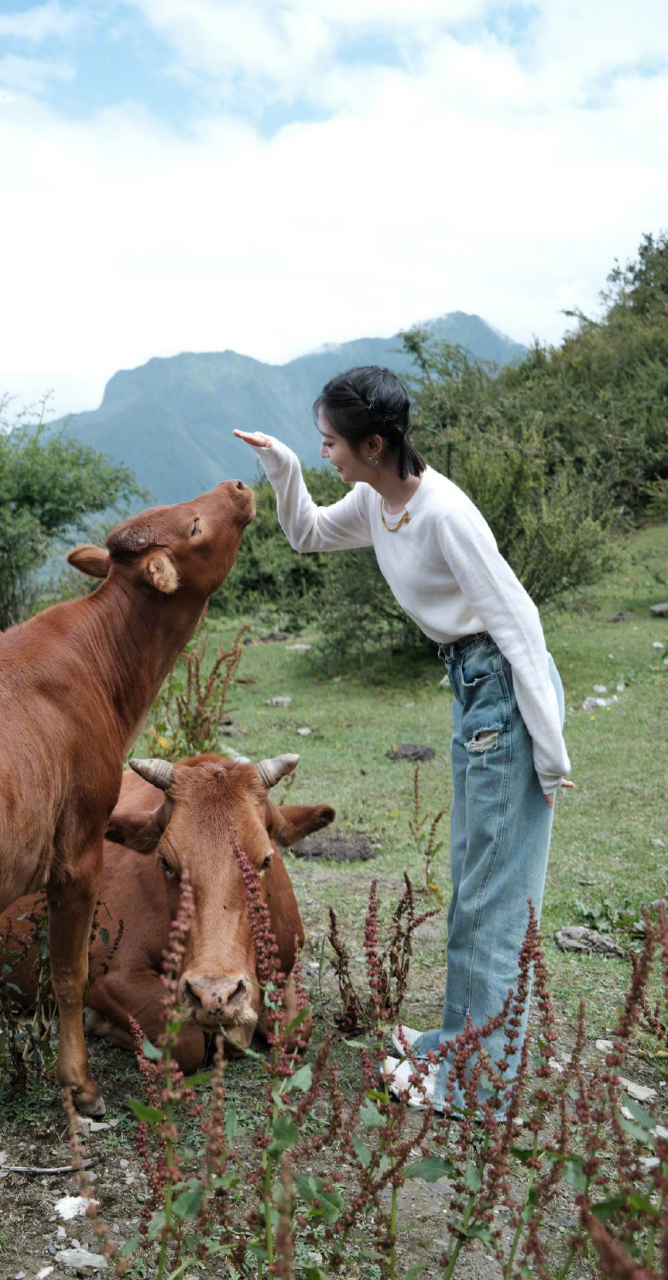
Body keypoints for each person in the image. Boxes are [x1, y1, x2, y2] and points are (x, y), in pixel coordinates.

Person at [234, 364, 573, 1115]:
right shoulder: (375, 500)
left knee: (492, 894)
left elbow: (519, 623)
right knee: (473, 881)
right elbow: (306, 533)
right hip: (472, 693)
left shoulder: (443, 514)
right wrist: (284, 468)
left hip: (505, 695)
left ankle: (477, 1085)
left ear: (375, 443)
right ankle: (463, 1044)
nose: (326, 452)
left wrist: (550, 750)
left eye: (331, 442)